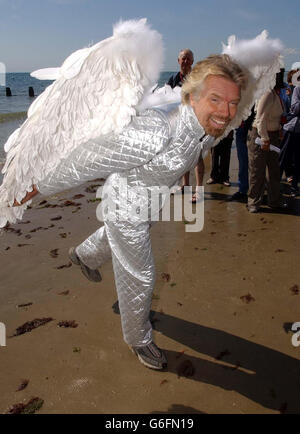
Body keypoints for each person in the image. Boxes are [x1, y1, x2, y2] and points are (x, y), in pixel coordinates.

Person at [16, 55, 247, 370]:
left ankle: (84, 255)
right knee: (141, 275)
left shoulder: (204, 128)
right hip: (125, 207)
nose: (226, 111)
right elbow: (90, 158)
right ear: (191, 95)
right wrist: (35, 185)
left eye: (233, 103)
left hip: (148, 202)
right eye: (216, 99)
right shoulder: (158, 127)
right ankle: (138, 339)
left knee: (121, 239)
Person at [247, 73, 287, 213]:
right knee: (257, 172)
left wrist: (279, 129)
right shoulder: (267, 93)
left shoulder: (274, 94)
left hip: (273, 135)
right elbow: (260, 119)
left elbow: (273, 117)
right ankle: (253, 202)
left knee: (274, 171)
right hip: (260, 135)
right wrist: (264, 138)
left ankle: (274, 200)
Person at [167, 49, 203, 203]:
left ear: (193, 62)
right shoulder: (173, 79)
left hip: (196, 122)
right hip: (179, 123)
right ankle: (185, 185)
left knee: (197, 157)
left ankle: (199, 191)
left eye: (189, 59)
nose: (186, 61)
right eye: (183, 58)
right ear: (178, 61)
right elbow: (165, 100)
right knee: (183, 154)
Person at [229, 108, 255, 202]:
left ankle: (253, 190)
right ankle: (243, 190)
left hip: (252, 131)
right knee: (243, 162)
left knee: (254, 163)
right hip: (241, 130)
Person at [279, 81, 300, 196]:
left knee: (298, 160)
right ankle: (274, 185)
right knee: (282, 157)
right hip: (292, 129)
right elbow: (295, 109)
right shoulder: (298, 89)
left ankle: (294, 186)